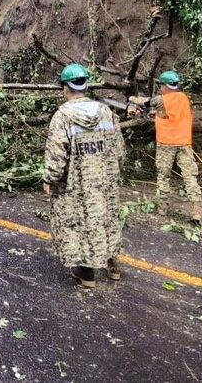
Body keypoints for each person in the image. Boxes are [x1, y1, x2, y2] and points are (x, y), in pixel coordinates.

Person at [43, 64, 125, 287]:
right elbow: (119, 150)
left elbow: (57, 154)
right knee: (107, 217)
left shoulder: (62, 117)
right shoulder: (106, 112)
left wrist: (50, 178)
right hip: (105, 179)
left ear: (65, 88)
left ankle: (87, 274)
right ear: (86, 86)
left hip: (77, 183)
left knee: (79, 222)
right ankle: (113, 264)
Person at [149, 70, 202, 222]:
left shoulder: (162, 99)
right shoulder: (184, 98)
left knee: (163, 176)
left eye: (161, 85)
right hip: (184, 142)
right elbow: (171, 114)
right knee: (190, 176)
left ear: (165, 86)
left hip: (166, 143)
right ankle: (196, 210)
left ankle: (162, 209)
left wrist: (134, 99)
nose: (160, 88)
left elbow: (148, 102)